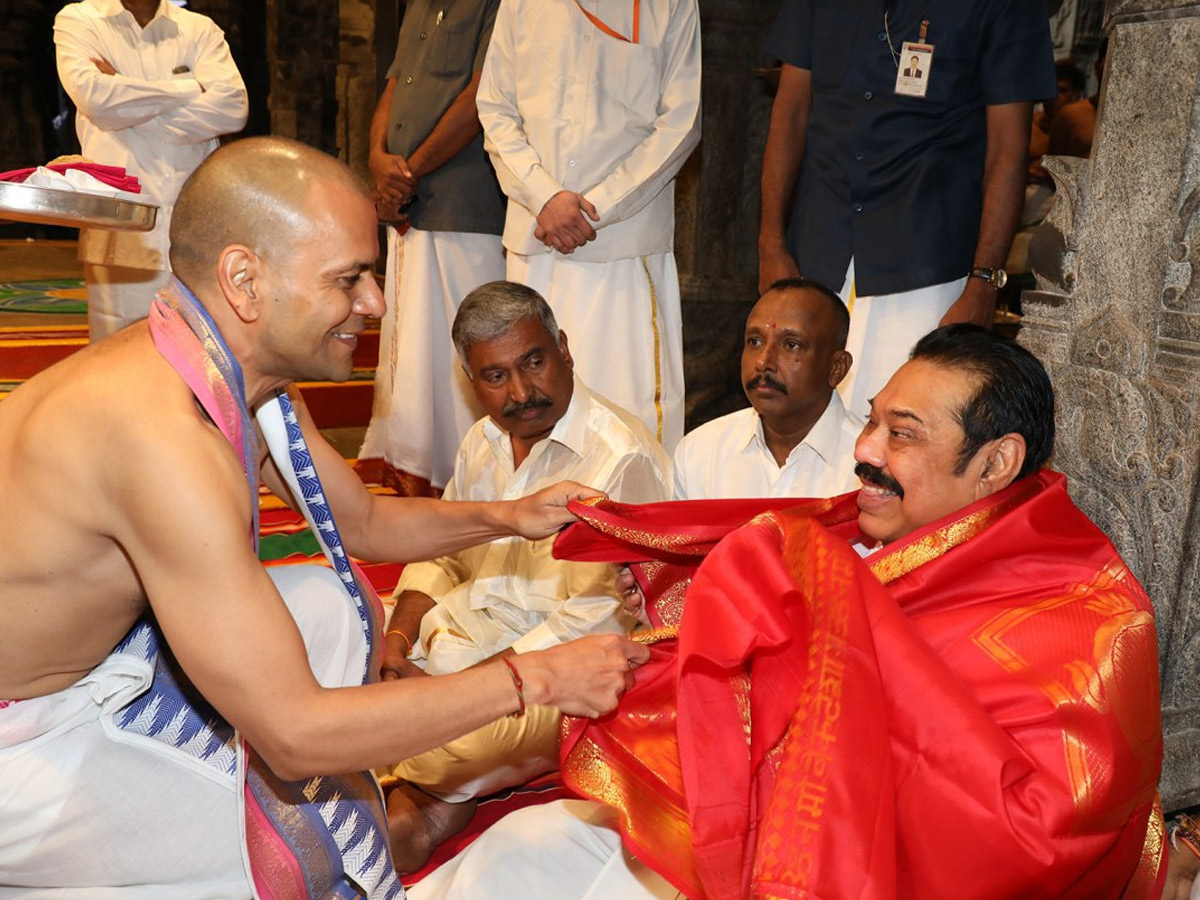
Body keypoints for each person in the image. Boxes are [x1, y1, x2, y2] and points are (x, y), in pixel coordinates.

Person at [0, 137, 647, 899]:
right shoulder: (161, 440)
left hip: (102, 663)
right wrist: (533, 678)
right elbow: (296, 735)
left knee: (333, 607)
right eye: (350, 279)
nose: (374, 303)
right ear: (245, 281)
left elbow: (366, 525)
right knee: (306, 847)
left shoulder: (226, 369)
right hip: (28, 740)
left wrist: (513, 514)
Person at [409, 325, 1165, 900]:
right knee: (517, 852)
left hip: (842, 866)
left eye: (901, 435)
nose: (865, 450)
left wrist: (839, 619)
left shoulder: (1087, 614)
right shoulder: (890, 521)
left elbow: (1033, 833)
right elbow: (768, 606)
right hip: (745, 814)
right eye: (871, 421)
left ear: (996, 463)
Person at [379, 279, 671, 871]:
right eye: (495, 377)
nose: (520, 392)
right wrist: (396, 643)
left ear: (564, 348)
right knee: (338, 643)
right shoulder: (482, 441)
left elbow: (594, 624)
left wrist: (450, 693)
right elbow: (444, 551)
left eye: (533, 362)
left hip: (559, 678)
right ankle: (436, 796)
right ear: (470, 379)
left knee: (427, 738)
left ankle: (419, 787)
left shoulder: (618, 456)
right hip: (458, 641)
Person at [757, 0, 1055, 417]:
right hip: (817, 248)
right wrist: (771, 242)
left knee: (902, 438)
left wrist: (985, 282)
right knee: (794, 428)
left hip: (925, 267)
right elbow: (789, 110)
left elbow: (1008, 150)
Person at [475, 0, 701, 450]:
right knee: (529, 402)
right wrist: (544, 197)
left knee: (628, 407)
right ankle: (536, 514)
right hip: (536, 242)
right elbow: (495, 108)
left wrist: (595, 207)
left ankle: (629, 520)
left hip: (623, 245)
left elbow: (682, 122)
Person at [357, 0, 507, 497]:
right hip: (410, 202)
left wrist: (409, 172)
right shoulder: (420, 5)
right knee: (415, 341)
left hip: (464, 204)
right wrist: (378, 159)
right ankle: (414, 466)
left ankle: (467, 480)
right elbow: (395, 87)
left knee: (462, 342)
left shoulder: (498, 4)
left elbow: (481, 98)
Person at [54, 0, 248, 341]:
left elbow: (233, 111)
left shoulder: (199, 29)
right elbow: (96, 100)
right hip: (119, 227)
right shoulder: (80, 20)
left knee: (198, 363)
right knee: (117, 362)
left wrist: (126, 100)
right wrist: (190, 87)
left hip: (195, 226)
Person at [673, 277, 861, 500]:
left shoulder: (869, 465)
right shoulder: (700, 452)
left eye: (791, 345)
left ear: (836, 368)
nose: (763, 362)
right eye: (755, 342)